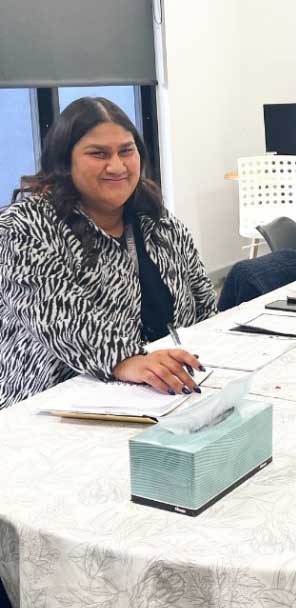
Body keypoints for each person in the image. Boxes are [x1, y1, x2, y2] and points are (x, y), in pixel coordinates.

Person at [0, 97, 215, 409]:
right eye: (98, 154)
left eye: (126, 151)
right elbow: (59, 317)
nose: (116, 166)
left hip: (160, 395)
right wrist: (125, 360)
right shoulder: (23, 228)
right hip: (52, 404)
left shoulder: (161, 224)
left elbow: (205, 309)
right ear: (64, 162)